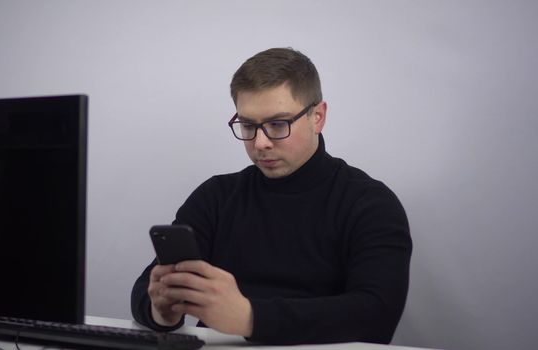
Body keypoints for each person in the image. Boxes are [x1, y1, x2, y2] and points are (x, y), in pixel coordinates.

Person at [131, 47, 412, 345]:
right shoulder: (215, 197)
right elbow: (145, 289)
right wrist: (163, 312)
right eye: (249, 125)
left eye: (278, 124)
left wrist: (250, 317)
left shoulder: (371, 204)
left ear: (317, 117)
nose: (260, 143)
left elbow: (376, 316)